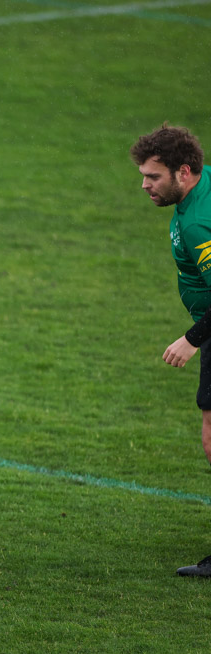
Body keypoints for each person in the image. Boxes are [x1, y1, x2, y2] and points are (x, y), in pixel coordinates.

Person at [130, 123, 211, 577]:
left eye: (153, 177)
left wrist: (192, 338)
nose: (144, 185)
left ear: (185, 171)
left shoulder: (199, 222)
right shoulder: (204, 187)